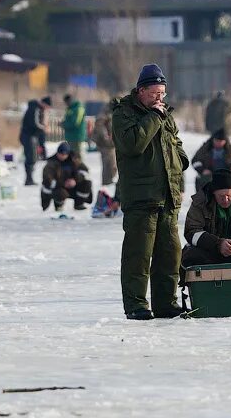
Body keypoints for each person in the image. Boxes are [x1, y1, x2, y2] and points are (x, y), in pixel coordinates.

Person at [112, 64, 189, 321]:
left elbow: (176, 143)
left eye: (163, 94)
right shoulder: (124, 114)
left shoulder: (166, 115)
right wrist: (154, 117)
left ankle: (166, 303)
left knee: (170, 254)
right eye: (155, 93)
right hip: (141, 197)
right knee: (139, 255)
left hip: (168, 195)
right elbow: (134, 145)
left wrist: (181, 160)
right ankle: (135, 305)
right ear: (141, 91)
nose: (160, 99)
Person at [41, 141, 93, 212]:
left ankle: (79, 204)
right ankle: (58, 205)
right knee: (60, 193)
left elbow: (85, 172)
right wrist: (63, 183)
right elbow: (47, 179)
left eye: (64, 154)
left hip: (73, 185)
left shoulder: (75, 160)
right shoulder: (51, 163)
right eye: (60, 154)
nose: (61, 156)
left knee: (87, 183)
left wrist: (75, 180)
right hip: (58, 187)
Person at [19, 96, 52, 186]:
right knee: (30, 157)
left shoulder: (37, 108)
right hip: (28, 136)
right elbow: (34, 124)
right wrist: (44, 128)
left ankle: (29, 178)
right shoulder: (34, 109)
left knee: (32, 157)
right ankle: (28, 179)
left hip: (32, 136)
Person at [91, 101, 117, 186]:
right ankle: (107, 182)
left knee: (112, 164)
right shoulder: (105, 113)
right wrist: (106, 137)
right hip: (105, 144)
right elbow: (100, 125)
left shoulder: (111, 112)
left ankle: (108, 181)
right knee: (108, 164)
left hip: (110, 143)